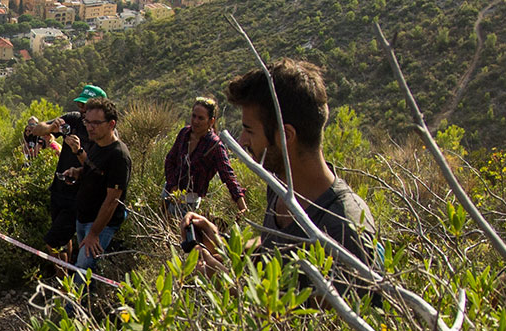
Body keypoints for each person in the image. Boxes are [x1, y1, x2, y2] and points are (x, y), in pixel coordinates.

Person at [185, 60, 378, 282]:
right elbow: (275, 248)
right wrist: (225, 245)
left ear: (285, 136)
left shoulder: (345, 229)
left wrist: (227, 284)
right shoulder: (280, 187)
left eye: (249, 130)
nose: (242, 140)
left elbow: (332, 315)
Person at [27, 86, 102, 259]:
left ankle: (65, 281)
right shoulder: (73, 119)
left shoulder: (102, 133)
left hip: (80, 194)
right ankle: (64, 278)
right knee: (62, 240)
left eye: (87, 106)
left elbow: (97, 168)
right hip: (59, 189)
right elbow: (37, 129)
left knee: (52, 241)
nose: (82, 110)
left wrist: (78, 150)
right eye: (80, 105)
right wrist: (50, 128)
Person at [162, 96, 248, 225]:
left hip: (189, 201)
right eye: (194, 116)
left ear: (211, 121)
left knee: (182, 235)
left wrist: (242, 205)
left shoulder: (214, 146)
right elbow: (170, 159)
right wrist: (172, 185)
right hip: (169, 194)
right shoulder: (184, 133)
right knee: (164, 228)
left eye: (201, 118)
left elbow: (228, 176)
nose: (196, 121)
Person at [67, 99, 131, 268]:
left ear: (111, 124)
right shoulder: (97, 143)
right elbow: (92, 169)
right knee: (85, 267)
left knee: (83, 270)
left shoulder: (119, 156)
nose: (90, 127)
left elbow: (112, 200)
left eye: (96, 123)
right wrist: (77, 172)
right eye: (87, 122)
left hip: (100, 225)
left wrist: (94, 233)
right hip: (83, 218)